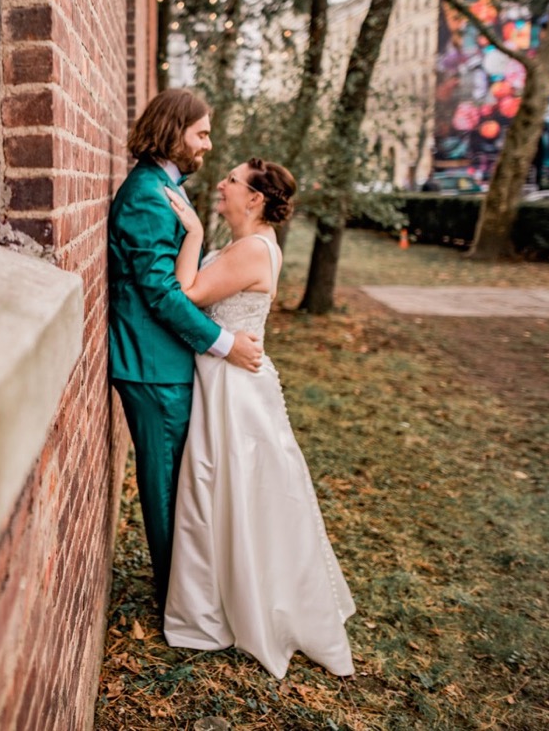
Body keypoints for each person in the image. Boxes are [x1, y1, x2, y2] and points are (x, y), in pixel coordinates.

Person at [161, 158, 355, 678]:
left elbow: (187, 296)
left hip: (233, 389)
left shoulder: (251, 248)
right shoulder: (252, 243)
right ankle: (230, 589)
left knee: (228, 486)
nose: (221, 184)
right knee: (232, 487)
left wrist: (194, 231)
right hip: (228, 374)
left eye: (231, 180)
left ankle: (238, 600)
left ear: (255, 199)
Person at [108, 89, 263, 610]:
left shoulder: (164, 186)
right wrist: (224, 345)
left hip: (167, 360)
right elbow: (159, 291)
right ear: (173, 131)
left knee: (184, 482)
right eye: (201, 133)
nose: (208, 144)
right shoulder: (148, 195)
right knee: (168, 489)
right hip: (152, 366)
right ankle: (182, 603)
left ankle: (191, 590)